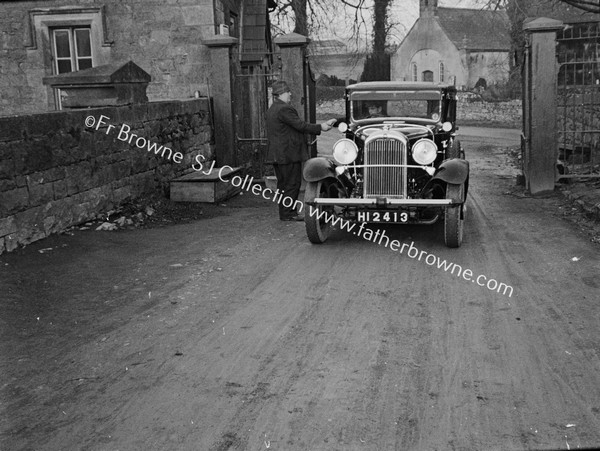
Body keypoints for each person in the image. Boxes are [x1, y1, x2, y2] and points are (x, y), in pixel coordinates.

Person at [266, 80, 336, 221]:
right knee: (292, 184)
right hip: (288, 154)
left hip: (277, 154)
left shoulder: (272, 108)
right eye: (288, 92)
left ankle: (285, 213)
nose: (290, 94)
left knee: (283, 184)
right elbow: (300, 125)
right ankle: (289, 214)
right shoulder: (284, 109)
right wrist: (320, 127)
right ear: (281, 93)